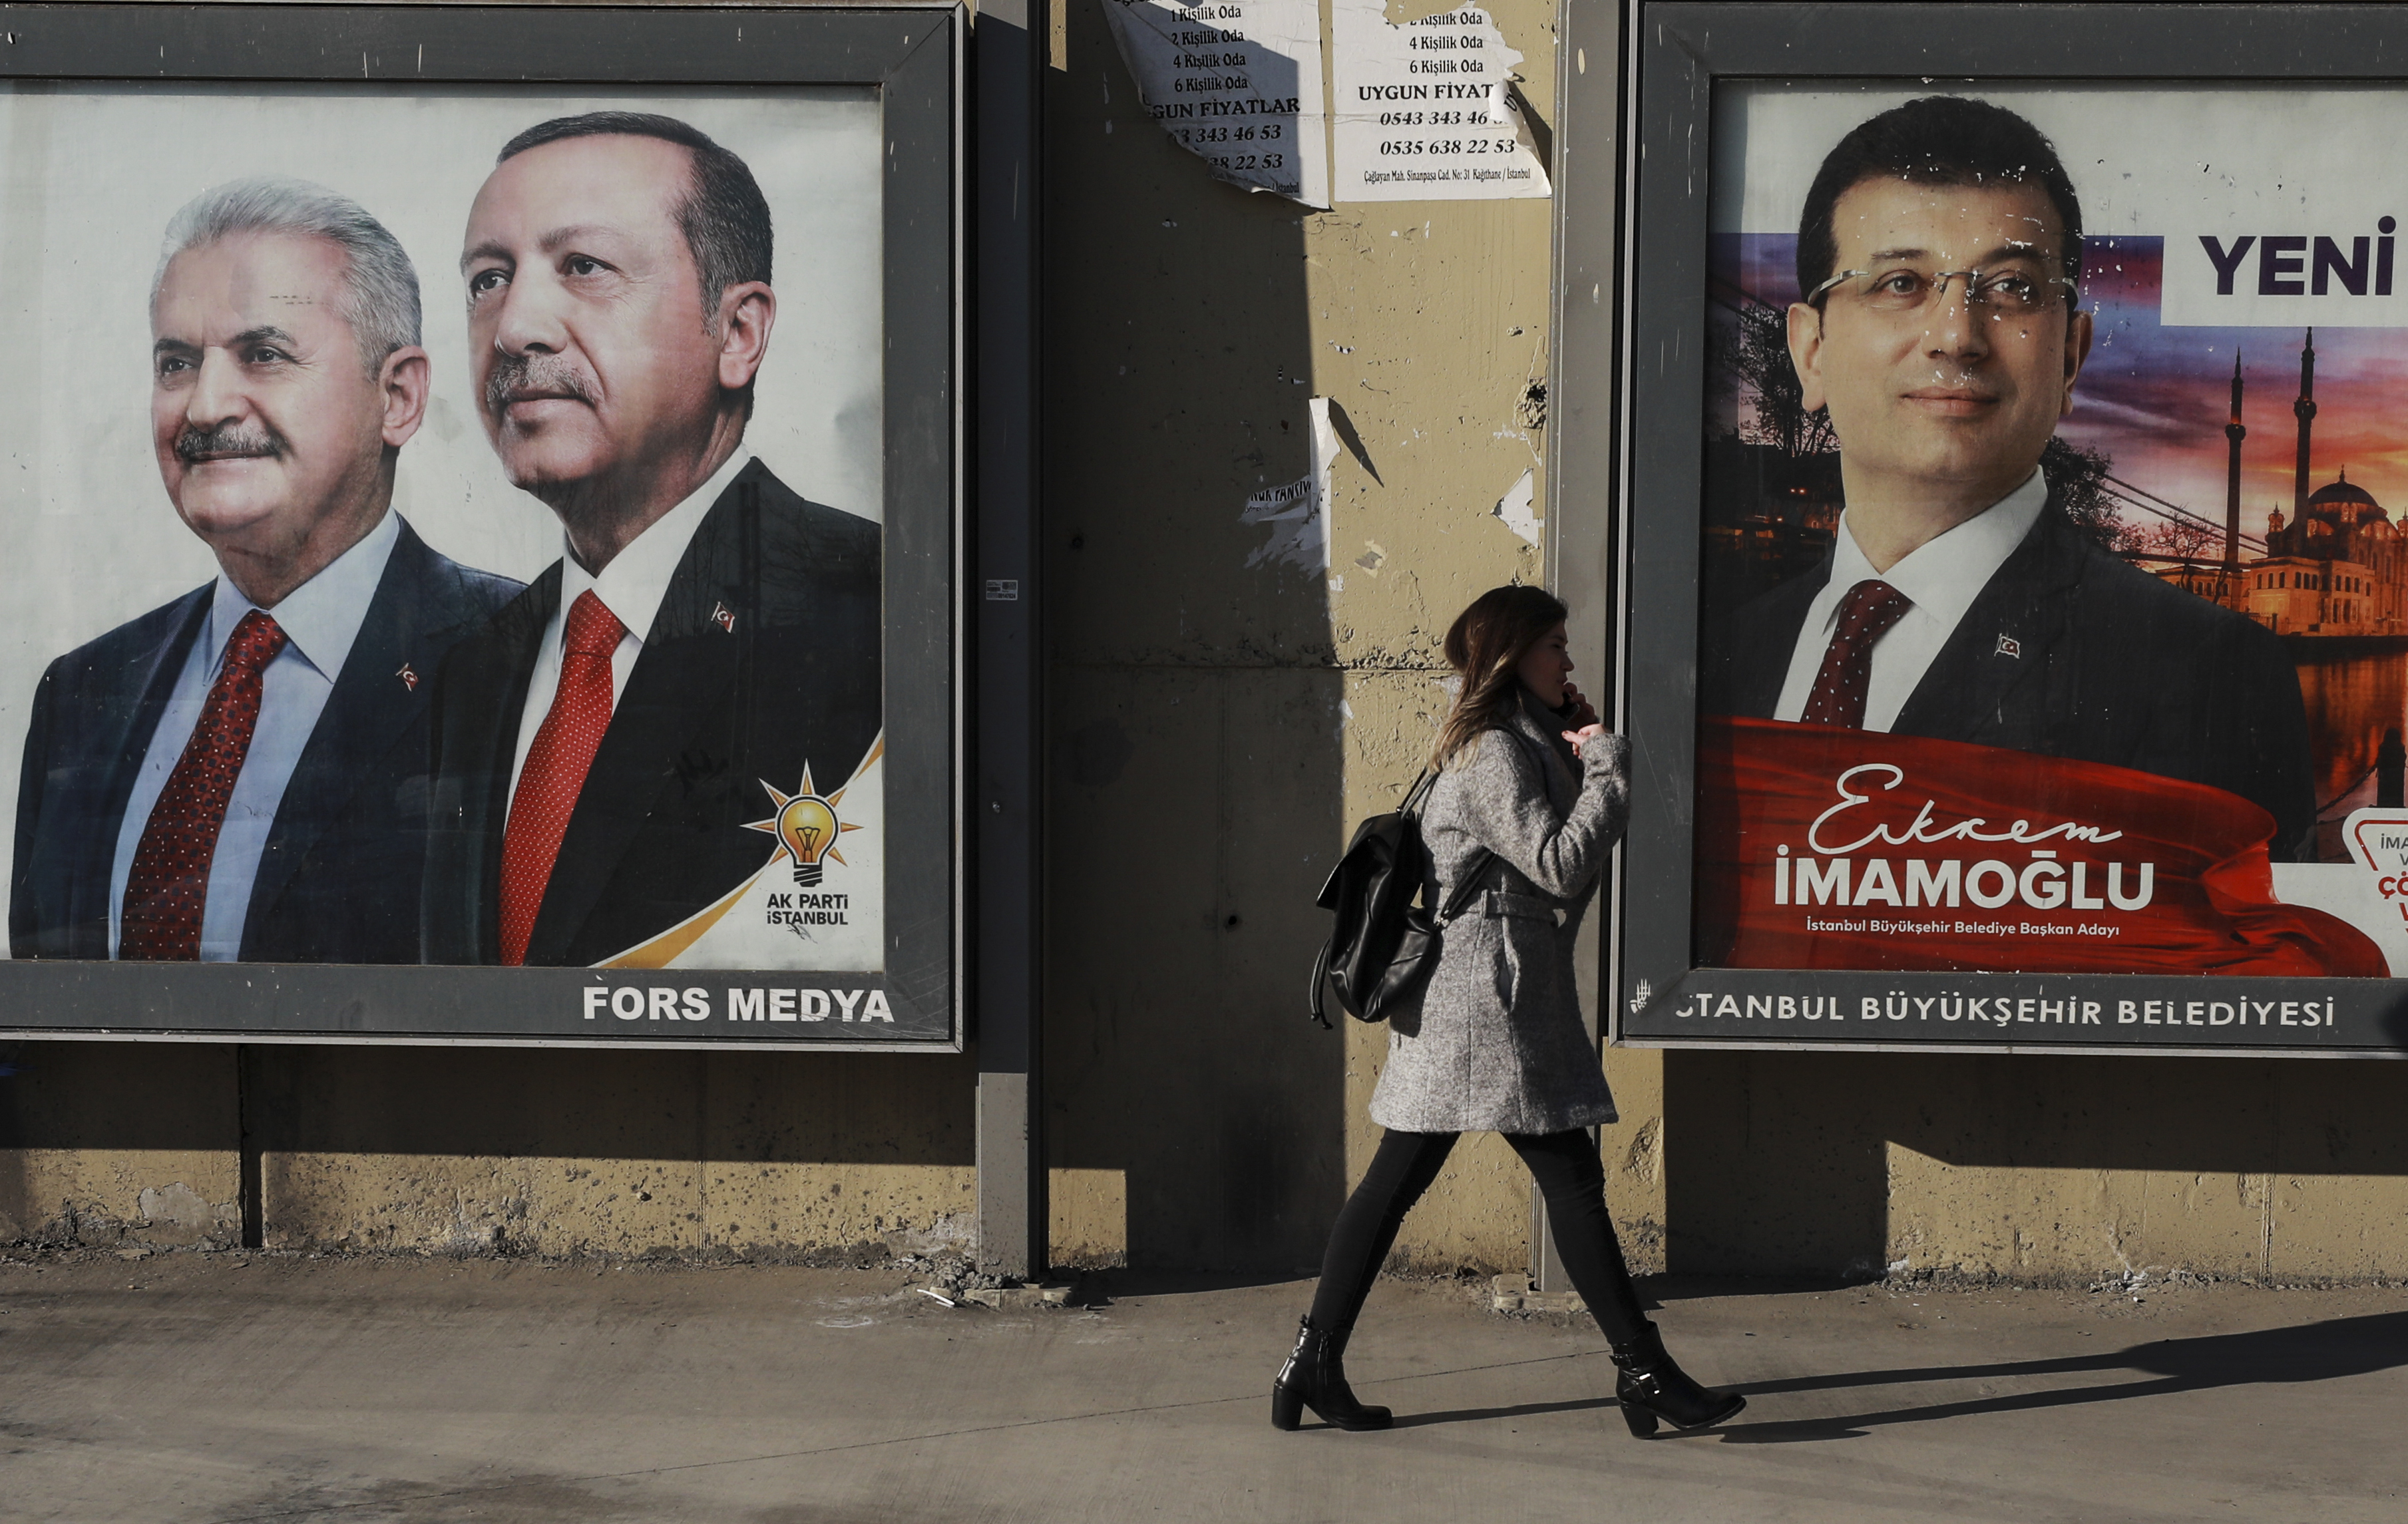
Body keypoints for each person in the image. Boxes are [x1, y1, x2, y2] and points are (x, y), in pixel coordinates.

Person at [1701, 95, 2315, 858]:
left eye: (2014, 289)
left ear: (2070, 356)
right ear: (1811, 350)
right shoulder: (1723, 655)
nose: (1957, 336)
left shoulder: (2211, 675)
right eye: (1900, 283)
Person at [1275, 586, 1745, 1439]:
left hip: (1486, 990)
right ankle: (1646, 1371)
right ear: (1513, 654)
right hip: (1489, 996)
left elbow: (1544, 864)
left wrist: (1569, 753)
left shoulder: (1506, 742)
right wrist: (1606, 763)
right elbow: (1560, 865)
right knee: (1566, 1176)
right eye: (1555, 646)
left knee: (1401, 1182)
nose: (1569, 661)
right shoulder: (1493, 751)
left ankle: (1312, 1361)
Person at [10, 179, 520, 963]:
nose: (206, 406)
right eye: (177, 362)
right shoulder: (82, 695)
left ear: (399, 397)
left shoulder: (523, 663)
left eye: (265, 355)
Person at [421, 112, 881, 967]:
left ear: (738, 333)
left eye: (584, 267)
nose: (515, 327)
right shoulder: (473, 667)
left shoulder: (881, 614)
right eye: (488, 279)